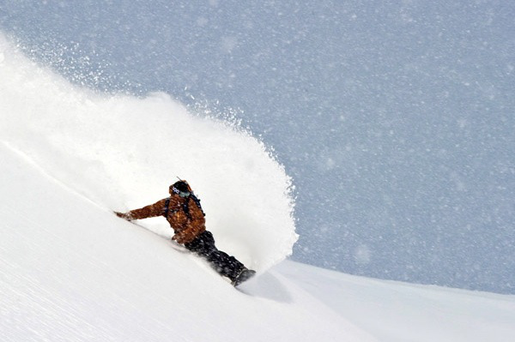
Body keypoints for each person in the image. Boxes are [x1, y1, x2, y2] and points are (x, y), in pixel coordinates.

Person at [115, 180, 256, 286]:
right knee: (209, 258)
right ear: (174, 192)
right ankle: (237, 274)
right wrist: (128, 215)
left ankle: (239, 272)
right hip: (189, 242)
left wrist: (184, 235)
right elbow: (147, 211)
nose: (184, 196)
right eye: (181, 194)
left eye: (186, 194)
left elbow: (199, 221)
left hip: (201, 237)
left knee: (211, 254)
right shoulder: (166, 205)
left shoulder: (190, 204)